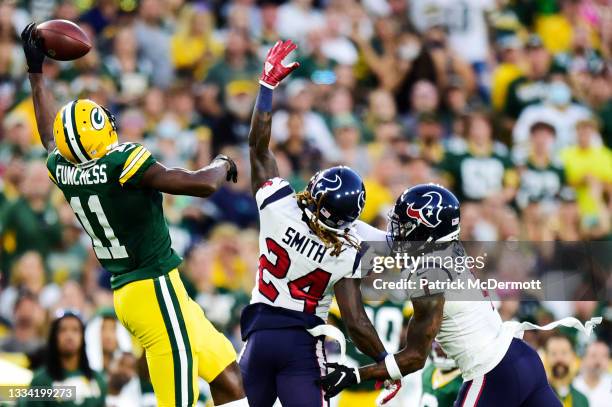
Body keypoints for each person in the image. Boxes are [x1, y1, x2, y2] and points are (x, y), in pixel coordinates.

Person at [20, 24, 247, 407]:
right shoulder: (121, 162)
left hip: (143, 289)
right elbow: (200, 184)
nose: (108, 120)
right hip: (153, 287)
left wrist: (36, 73)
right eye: (101, 120)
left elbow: (48, 137)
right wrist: (224, 162)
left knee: (230, 379)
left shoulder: (65, 169)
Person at [320, 184, 573, 406]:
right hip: (522, 356)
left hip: (491, 373)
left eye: (405, 224)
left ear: (426, 232)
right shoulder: (447, 248)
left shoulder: (426, 275)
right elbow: (381, 242)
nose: (396, 229)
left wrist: (356, 374)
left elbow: (415, 358)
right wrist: (344, 223)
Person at [238, 39, 388, 406]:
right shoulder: (351, 247)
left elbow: (258, 148)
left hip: (257, 338)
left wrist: (267, 88)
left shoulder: (280, 207)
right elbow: (356, 323)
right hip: (301, 347)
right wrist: (387, 363)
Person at [24, 311, 107, 407]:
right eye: (63, 330)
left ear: (83, 337)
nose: (69, 335)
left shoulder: (98, 380)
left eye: (75, 330)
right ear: (54, 337)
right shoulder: (40, 381)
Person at [544, 334, 590, 407]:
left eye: (564, 353)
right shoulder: (537, 398)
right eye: (553, 353)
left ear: (573, 356)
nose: (559, 358)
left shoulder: (582, 399)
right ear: (546, 358)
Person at [574, 341, 612, 407]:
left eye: (604, 356)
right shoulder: (574, 385)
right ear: (584, 359)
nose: (598, 360)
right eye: (593, 355)